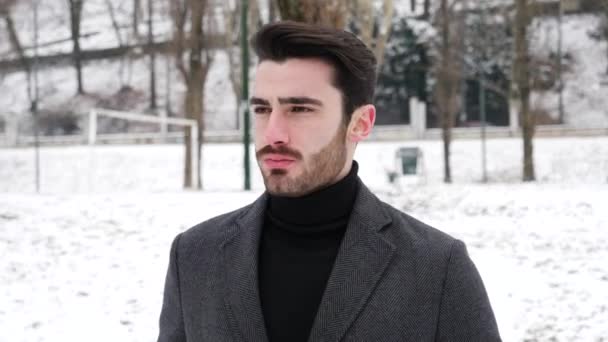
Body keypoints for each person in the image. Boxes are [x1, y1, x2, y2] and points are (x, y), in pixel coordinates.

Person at [158, 21, 501, 342]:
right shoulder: (193, 256)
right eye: (262, 109)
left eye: (300, 109)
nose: (273, 133)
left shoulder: (437, 269)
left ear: (360, 123)